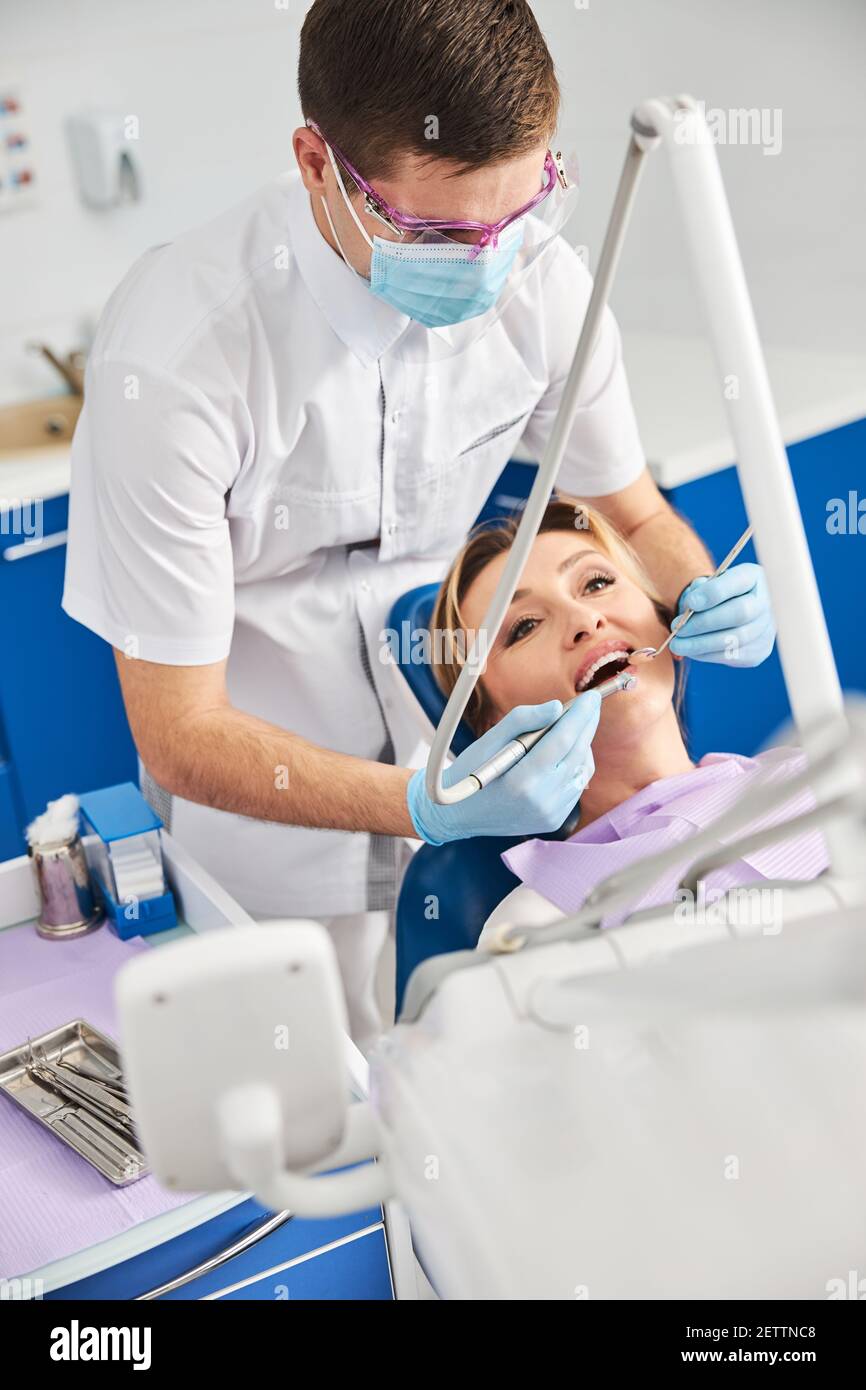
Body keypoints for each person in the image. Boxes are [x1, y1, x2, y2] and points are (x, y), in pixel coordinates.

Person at [62, 0, 775, 1048]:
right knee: (314, 1099)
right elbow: (180, 732)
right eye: (439, 234)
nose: (491, 259)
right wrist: (428, 807)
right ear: (318, 164)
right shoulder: (179, 361)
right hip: (268, 833)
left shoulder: (542, 285)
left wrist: (697, 584)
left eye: (522, 210)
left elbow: (632, 512)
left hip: (488, 791)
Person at [429, 497, 826, 933]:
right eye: (525, 626)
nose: (585, 619)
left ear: (669, 619)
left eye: (596, 583)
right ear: (493, 725)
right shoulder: (538, 922)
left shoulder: (825, 781)